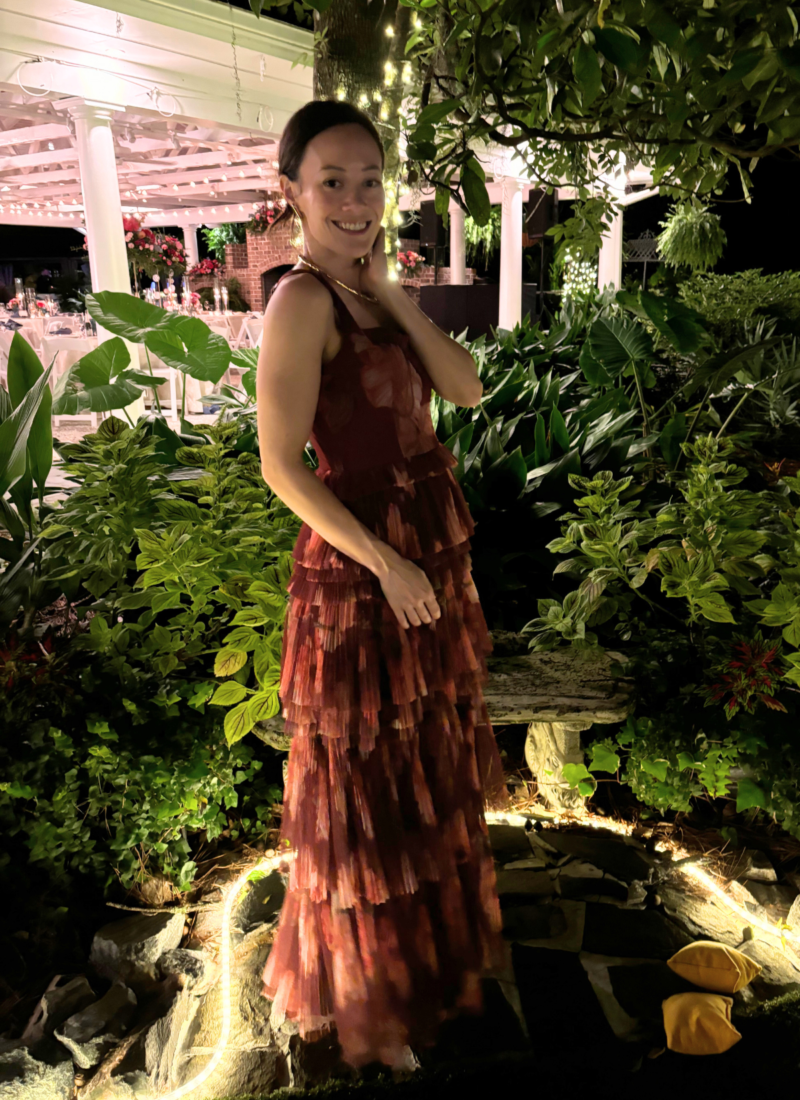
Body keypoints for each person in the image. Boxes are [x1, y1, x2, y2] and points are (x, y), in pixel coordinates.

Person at [256, 99, 512, 1080]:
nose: (355, 199)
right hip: (362, 573)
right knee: (362, 789)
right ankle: (373, 993)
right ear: (293, 193)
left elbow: (466, 389)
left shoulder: (364, 293)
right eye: (332, 181)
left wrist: (398, 295)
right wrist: (385, 560)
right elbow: (283, 465)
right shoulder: (300, 304)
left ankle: (420, 968)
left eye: (369, 179)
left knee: (426, 768)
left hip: (422, 557)